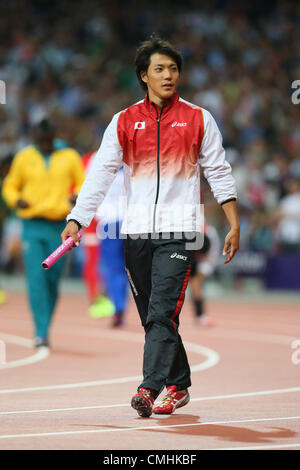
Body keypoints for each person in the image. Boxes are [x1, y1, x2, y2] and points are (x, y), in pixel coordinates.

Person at [61, 36, 240, 417]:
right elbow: (100, 175)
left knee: (161, 313)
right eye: (159, 69)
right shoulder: (124, 121)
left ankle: (150, 386)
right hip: (136, 232)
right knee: (152, 317)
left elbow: (219, 171)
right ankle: (179, 384)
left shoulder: (198, 118)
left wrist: (233, 223)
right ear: (144, 76)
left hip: (181, 231)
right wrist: (77, 218)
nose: (168, 75)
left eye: (173, 69)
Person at [2, 119, 85, 348]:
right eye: (40, 141)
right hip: (32, 225)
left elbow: (83, 183)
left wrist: (76, 195)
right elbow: (10, 185)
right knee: (36, 278)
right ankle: (41, 330)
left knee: (53, 278)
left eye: (48, 141)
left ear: (54, 138)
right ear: (35, 138)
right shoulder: (25, 156)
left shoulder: (68, 156)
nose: (44, 144)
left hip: (60, 226)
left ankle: (44, 325)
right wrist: (15, 200)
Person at [81, 150, 115, 319]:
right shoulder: (86, 160)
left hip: (112, 218)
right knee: (94, 260)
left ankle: (109, 297)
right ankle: (96, 299)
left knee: (113, 261)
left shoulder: (123, 156)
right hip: (94, 220)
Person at [96, 166, 129, 327]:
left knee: (113, 269)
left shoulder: (102, 173)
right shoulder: (133, 172)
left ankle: (118, 306)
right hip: (130, 223)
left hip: (109, 223)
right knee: (130, 269)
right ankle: (123, 305)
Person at [189, 223, 221, 327]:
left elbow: (213, 250)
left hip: (205, 259)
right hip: (197, 256)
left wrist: (207, 263)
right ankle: (200, 315)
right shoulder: (201, 229)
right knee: (195, 285)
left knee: (196, 285)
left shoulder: (209, 232)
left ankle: (200, 315)